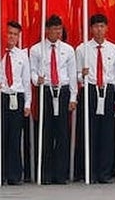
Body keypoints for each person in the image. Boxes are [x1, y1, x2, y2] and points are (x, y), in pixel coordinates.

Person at [28, 14, 77, 184]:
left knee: (62, 133)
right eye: (54, 29)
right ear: (47, 30)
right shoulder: (36, 49)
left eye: (60, 29)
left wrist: (73, 97)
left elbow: (71, 75)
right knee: (45, 132)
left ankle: (60, 174)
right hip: (45, 90)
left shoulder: (68, 50)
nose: (57, 32)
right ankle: (45, 173)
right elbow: (32, 71)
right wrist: (36, 79)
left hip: (62, 91)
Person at [74, 13, 115, 184]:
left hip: (107, 91)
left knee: (107, 133)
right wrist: (82, 75)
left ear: (107, 28)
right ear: (91, 29)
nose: (99, 30)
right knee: (89, 131)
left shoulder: (114, 49)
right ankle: (89, 170)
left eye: (102, 26)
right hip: (90, 90)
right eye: (96, 26)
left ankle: (105, 172)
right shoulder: (82, 49)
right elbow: (76, 75)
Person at [0, 20, 32, 185]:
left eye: (15, 34)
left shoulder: (22, 55)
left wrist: (27, 103)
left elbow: (26, 81)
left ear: (18, 37)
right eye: (9, 33)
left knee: (14, 137)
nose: (11, 37)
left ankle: (14, 175)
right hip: (0, 96)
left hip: (16, 97)